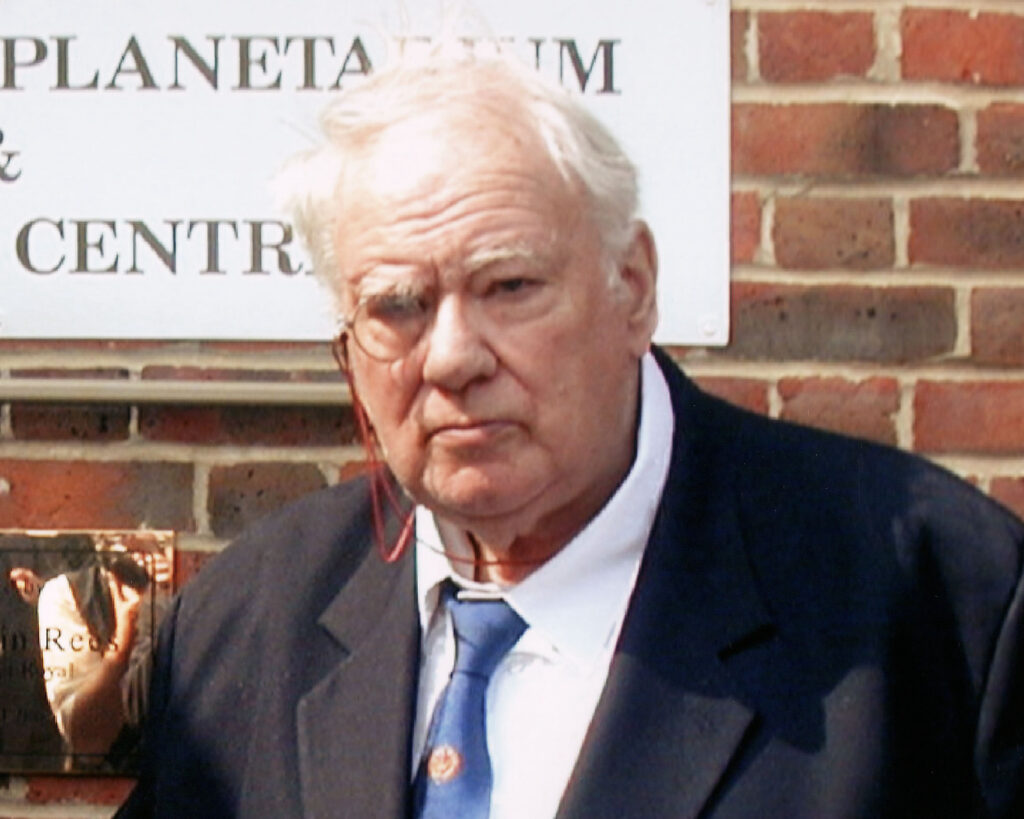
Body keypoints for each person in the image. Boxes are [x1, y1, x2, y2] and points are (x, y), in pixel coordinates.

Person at [118, 51, 1024, 818]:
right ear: (348, 347)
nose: (454, 356)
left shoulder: (932, 601)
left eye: (509, 286)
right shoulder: (245, 628)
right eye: (398, 305)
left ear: (632, 287)